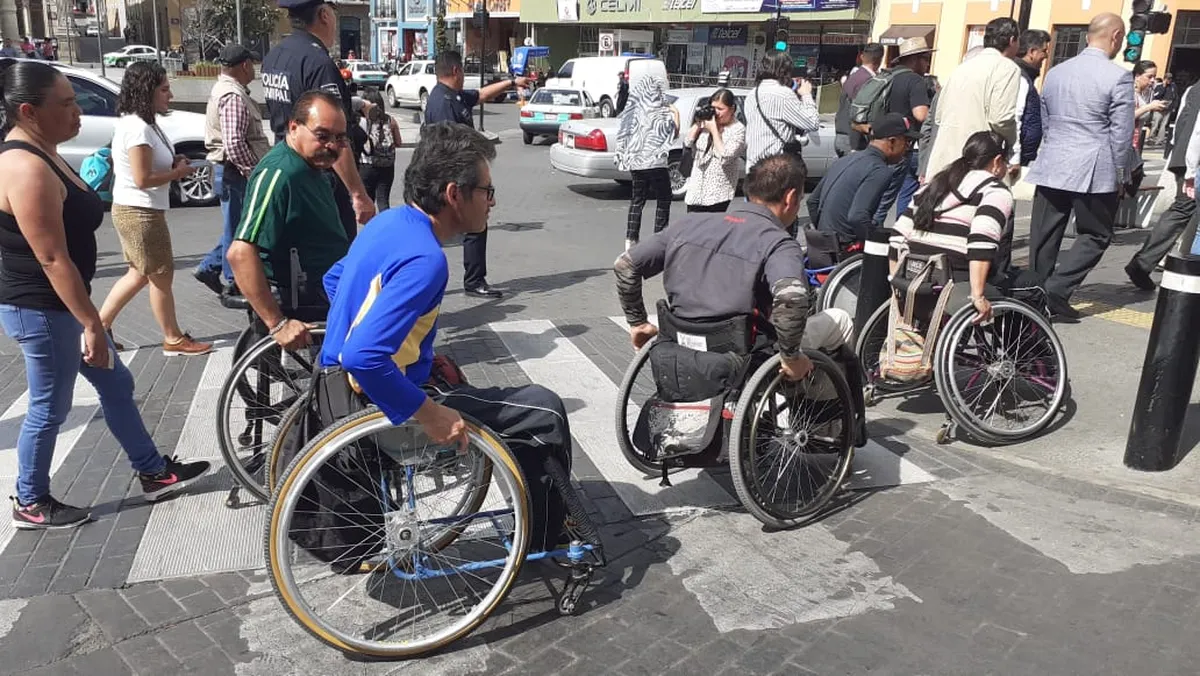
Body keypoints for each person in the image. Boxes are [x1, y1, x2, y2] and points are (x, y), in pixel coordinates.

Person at [318, 122, 573, 551]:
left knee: (471, 383)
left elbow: (335, 280)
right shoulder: (427, 259)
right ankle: (546, 537)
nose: (492, 203)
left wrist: (402, 342)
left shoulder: (389, 223)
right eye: (487, 191)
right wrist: (429, 412)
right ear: (455, 194)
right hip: (378, 408)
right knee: (541, 408)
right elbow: (363, 356)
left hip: (332, 389)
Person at [0, 61, 210, 529]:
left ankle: (153, 471)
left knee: (116, 384)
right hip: (41, 307)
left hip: (64, 303)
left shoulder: (47, 151)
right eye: (68, 103)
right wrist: (92, 323)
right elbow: (52, 258)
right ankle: (30, 501)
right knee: (49, 406)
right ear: (29, 112)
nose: (78, 112)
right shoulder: (23, 165)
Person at [614, 153, 867, 446]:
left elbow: (626, 265)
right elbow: (791, 299)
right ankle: (824, 419)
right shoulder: (777, 242)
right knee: (839, 321)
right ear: (791, 197)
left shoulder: (688, 225)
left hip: (683, 338)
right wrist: (791, 356)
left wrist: (638, 322)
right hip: (747, 349)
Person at [1025, 13, 1135, 321]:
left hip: (1053, 161)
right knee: (1096, 233)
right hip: (1094, 166)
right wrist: (1120, 174)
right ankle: (1057, 289)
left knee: (1044, 234)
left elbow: (1046, 119)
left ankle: (1033, 295)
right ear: (1115, 36)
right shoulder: (1118, 76)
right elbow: (1121, 133)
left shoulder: (1056, 72)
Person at [98, 62, 212, 356]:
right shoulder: (137, 128)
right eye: (164, 89)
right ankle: (173, 338)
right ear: (146, 91)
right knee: (161, 275)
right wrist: (177, 174)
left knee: (138, 273)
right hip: (140, 211)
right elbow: (143, 178)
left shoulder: (142, 123)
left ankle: (98, 328)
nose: (170, 95)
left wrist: (174, 164)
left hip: (137, 208)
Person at [227, 90, 350, 351]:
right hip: (305, 296)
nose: (332, 145)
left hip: (327, 286)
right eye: (322, 135)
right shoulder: (280, 173)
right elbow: (240, 253)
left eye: (339, 138)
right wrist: (278, 323)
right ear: (294, 127)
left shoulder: (311, 165)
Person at [260, 0, 377, 243]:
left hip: (287, 167)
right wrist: (358, 194)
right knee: (332, 261)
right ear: (324, 15)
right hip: (320, 180)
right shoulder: (317, 62)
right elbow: (331, 136)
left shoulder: (275, 56)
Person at [423, 50, 528, 299]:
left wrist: (512, 82)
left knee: (469, 227)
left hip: (457, 175)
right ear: (456, 71)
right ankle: (471, 281)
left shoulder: (453, 96)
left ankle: (471, 280)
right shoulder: (443, 103)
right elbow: (446, 145)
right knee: (468, 226)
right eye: (464, 72)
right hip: (451, 177)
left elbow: (481, 95)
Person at [890, 131, 1016, 323]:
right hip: (954, 281)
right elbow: (981, 244)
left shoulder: (933, 185)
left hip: (914, 280)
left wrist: (897, 285)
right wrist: (977, 296)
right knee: (1029, 286)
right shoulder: (994, 191)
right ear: (998, 162)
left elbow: (897, 237)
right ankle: (1029, 351)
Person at [194, 43, 269, 297]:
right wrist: (253, 172)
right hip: (234, 172)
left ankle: (210, 266)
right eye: (253, 65)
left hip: (230, 170)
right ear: (245, 65)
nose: (255, 71)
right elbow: (234, 142)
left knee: (236, 224)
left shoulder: (227, 90)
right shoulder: (233, 96)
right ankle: (234, 279)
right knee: (238, 228)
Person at [924, 17, 1021, 184]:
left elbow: (938, 115)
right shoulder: (1006, 67)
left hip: (945, 155)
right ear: (1012, 40)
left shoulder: (962, 67)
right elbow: (1001, 118)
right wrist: (1013, 144)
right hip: (980, 156)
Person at [1126, 79, 1200, 290]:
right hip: (1190, 161)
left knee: (1183, 210)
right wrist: (1189, 168)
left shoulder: (1193, 88)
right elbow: (1195, 131)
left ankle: (1146, 263)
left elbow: (1182, 124)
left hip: (1185, 159)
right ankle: (1144, 263)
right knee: (1183, 209)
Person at [806, 112, 909, 247]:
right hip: (845, 246)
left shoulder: (845, 160)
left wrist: (823, 236)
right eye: (907, 142)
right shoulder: (879, 170)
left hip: (822, 245)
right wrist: (875, 244)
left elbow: (812, 202)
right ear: (892, 141)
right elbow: (858, 217)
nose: (908, 149)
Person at [871, 36, 934, 226]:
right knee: (892, 198)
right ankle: (882, 238)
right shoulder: (915, 81)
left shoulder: (888, 76)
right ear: (915, 59)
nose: (927, 63)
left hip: (880, 142)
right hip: (901, 145)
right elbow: (921, 114)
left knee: (879, 196)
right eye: (925, 58)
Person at [616, 74, 679, 250]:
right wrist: (675, 113)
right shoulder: (660, 110)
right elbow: (672, 134)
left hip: (636, 163)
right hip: (656, 163)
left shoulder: (634, 110)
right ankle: (659, 236)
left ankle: (631, 239)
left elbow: (624, 133)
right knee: (664, 197)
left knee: (637, 200)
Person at [744, 50, 820, 168]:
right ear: (786, 70)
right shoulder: (784, 94)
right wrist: (806, 95)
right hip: (775, 167)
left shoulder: (752, 94)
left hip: (753, 164)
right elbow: (812, 123)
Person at [683, 88, 745, 214]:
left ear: (732, 109)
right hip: (696, 190)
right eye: (713, 108)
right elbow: (688, 142)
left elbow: (726, 156)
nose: (716, 113)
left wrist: (714, 130)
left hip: (718, 194)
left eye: (720, 109)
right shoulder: (707, 123)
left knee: (710, 232)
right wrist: (698, 123)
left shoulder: (737, 129)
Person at [834, 43, 883, 157]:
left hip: (842, 134)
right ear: (879, 60)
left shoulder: (854, 77)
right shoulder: (869, 81)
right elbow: (859, 113)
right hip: (854, 139)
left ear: (862, 57)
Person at [1012, 29, 1050, 170]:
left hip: (1024, 156)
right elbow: (1015, 117)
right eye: (1044, 51)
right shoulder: (1020, 78)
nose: (1046, 56)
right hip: (1016, 160)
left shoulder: (1026, 77)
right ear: (1032, 52)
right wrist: (1014, 158)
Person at [358, 88, 401, 212]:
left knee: (368, 201)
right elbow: (398, 142)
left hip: (367, 164)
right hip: (387, 165)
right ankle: (386, 228)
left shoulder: (362, 121)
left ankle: (371, 229)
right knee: (383, 201)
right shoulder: (390, 120)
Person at [1133, 60, 1166, 152]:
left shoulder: (1145, 93)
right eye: (1149, 76)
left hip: (1133, 143)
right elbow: (1126, 117)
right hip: (1122, 143)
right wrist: (1149, 107)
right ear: (1137, 76)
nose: (1152, 80)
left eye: (1154, 77)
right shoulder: (1129, 92)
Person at [1150, 72, 1178, 146]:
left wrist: (1174, 107)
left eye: (1170, 79)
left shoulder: (1173, 86)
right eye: (1168, 78)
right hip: (1159, 108)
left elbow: (1175, 97)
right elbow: (1157, 96)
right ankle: (1151, 138)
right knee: (1155, 124)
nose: (1169, 80)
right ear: (1164, 78)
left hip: (1168, 108)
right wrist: (1164, 86)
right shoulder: (1159, 86)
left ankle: (1160, 140)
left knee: (1164, 125)